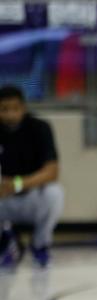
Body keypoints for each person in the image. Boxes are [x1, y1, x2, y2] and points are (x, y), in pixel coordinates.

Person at [0, 85, 64, 268]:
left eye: (15, 108)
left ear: (23, 108)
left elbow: (52, 171)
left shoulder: (39, 128)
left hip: (30, 195)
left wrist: (17, 183)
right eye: (4, 109)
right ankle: (5, 242)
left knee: (55, 193)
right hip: (3, 198)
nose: (10, 114)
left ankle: (40, 244)